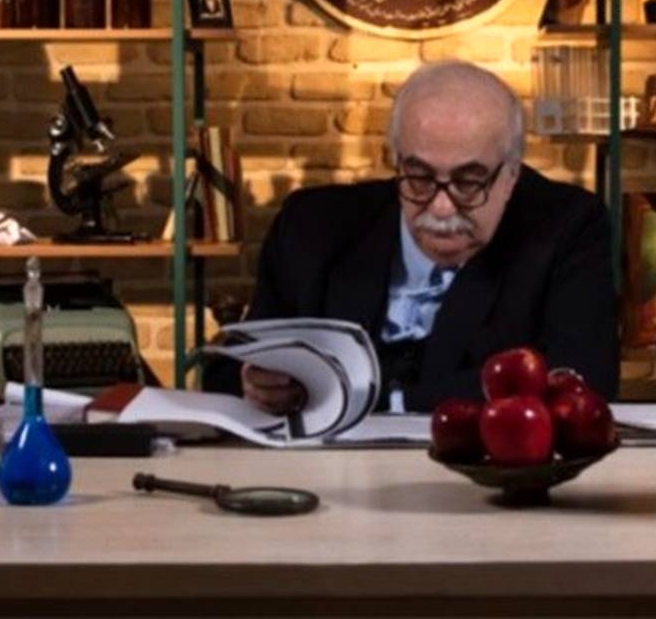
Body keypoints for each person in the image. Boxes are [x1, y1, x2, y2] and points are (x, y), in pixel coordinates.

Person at [203, 61, 618, 414]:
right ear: (396, 161)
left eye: (468, 182)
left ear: (511, 175)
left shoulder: (568, 227)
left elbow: (582, 379)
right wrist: (254, 382)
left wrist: (382, 403)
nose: (441, 208)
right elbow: (224, 371)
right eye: (419, 177)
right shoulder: (311, 227)